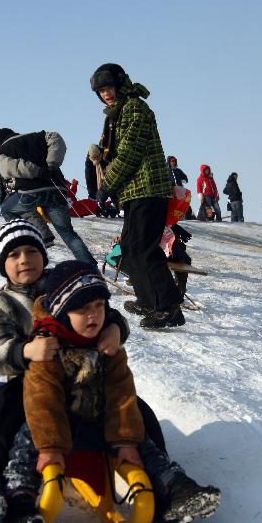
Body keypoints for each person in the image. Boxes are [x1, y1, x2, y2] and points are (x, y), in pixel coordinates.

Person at [0, 221, 216, 523]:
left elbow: (101, 311)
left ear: (43, 255)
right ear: (3, 264)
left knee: (138, 411)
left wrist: (115, 329)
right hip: (32, 379)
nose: (24, 259)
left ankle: (165, 495)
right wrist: (25, 350)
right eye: (14, 255)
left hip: (87, 375)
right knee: (5, 404)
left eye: (31, 251)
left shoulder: (65, 281)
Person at [90, 63, 185, 329]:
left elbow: (131, 152)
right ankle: (147, 299)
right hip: (133, 191)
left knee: (144, 249)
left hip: (149, 188)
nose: (105, 94)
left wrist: (107, 183)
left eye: (108, 88)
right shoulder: (115, 114)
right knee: (130, 248)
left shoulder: (134, 108)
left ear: (119, 85)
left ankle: (169, 308)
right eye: (100, 91)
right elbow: (114, 150)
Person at [0, 127, 95, 265]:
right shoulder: (38, 136)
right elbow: (57, 139)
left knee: (7, 208)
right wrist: (52, 164)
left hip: (30, 192)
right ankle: (89, 264)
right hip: (56, 189)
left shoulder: (1, 151)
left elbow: (10, 168)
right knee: (68, 233)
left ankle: (41, 233)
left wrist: (37, 171)